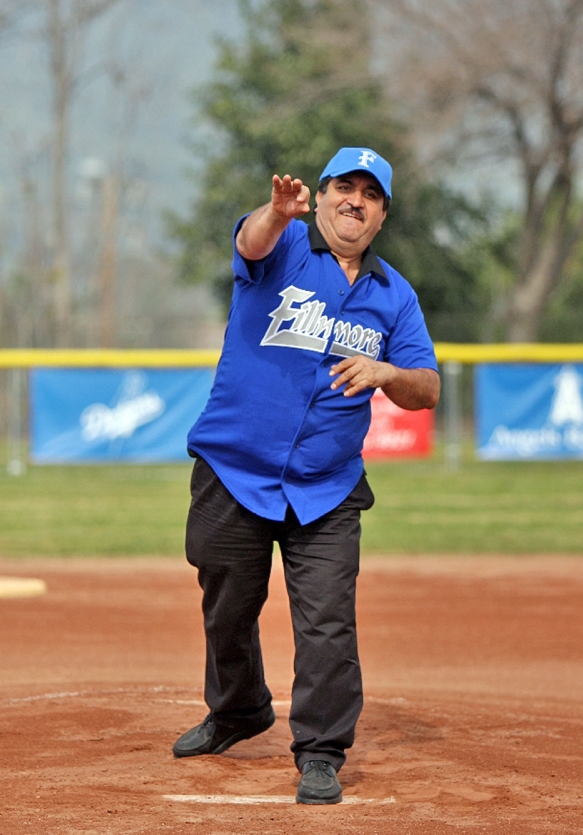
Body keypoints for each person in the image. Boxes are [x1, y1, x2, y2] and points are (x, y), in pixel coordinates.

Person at [172, 147, 440, 804]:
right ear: (318, 199)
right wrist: (274, 211)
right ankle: (239, 708)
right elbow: (249, 239)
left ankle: (321, 748)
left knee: (328, 620)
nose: (355, 200)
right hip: (235, 468)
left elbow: (427, 386)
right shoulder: (284, 243)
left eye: (370, 194)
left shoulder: (393, 296)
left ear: (382, 214)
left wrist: (387, 374)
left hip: (326, 486)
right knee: (227, 601)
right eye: (344, 187)